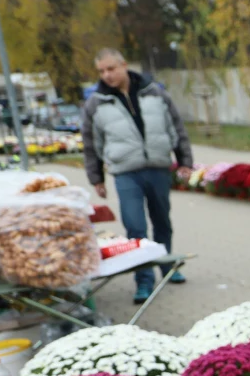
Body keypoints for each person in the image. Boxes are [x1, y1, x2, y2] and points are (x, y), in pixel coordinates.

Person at [82, 48, 193, 303]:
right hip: (125, 173)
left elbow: (176, 127)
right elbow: (90, 142)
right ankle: (144, 280)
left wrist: (185, 161)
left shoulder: (154, 92)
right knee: (135, 226)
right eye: (101, 71)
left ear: (124, 65)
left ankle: (167, 266)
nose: (107, 75)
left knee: (162, 221)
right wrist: (96, 178)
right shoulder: (96, 103)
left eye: (111, 69)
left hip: (158, 168)